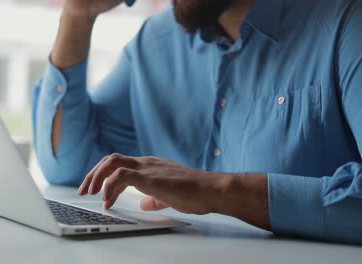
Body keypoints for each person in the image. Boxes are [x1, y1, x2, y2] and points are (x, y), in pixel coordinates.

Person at [32, 0, 362, 244]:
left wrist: (219, 189)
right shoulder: (156, 41)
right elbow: (69, 165)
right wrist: (78, 15)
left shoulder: (346, 24)